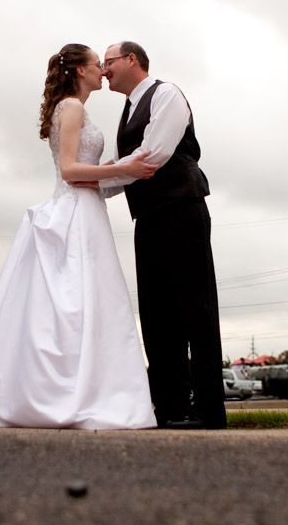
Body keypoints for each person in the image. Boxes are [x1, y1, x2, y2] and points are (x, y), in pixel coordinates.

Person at [0, 44, 160, 430]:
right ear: (80, 71)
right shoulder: (73, 107)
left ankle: (74, 391)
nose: (103, 70)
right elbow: (69, 170)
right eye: (97, 64)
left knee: (80, 304)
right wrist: (124, 169)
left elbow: (83, 168)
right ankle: (75, 395)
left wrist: (116, 168)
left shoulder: (72, 108)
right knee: (78, 303)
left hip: (86, 207)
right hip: (76, 211)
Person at [97, 41, 225, 430]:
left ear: (131, 59)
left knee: (196, 309)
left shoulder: (165, 94)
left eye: (108, 62)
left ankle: (209, 411)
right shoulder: (127, 109)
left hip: (182, 210)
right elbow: (128, 167)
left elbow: (152, 156)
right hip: (148, 217)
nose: (104, 70)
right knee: (156, 314)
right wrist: (90, 184)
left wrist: (93, 181)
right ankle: (171, 407)